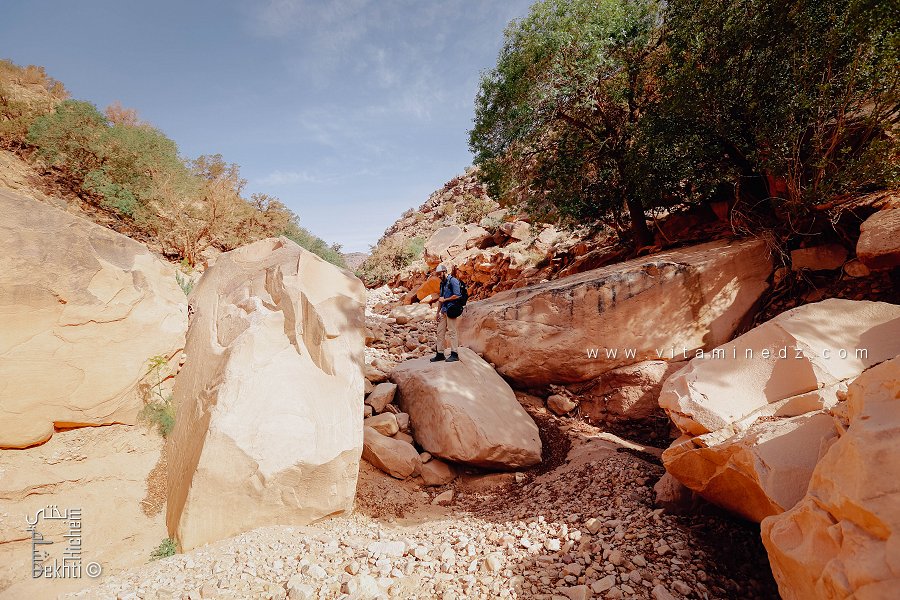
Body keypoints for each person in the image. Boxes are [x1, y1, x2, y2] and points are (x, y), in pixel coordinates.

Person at [430, 264, 462, 362]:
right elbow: (441, 299)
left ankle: (454, 354)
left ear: (444, 272)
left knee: (452, 331)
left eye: (440, 274)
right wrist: (437, 313)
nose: (439, 276)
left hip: (451, 309)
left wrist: (446, 300)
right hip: (444, 310)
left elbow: (457, 295)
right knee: (440, 332)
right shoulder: (442, 283)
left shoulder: (453, 281)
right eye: (437, 274)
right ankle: (440, 354)